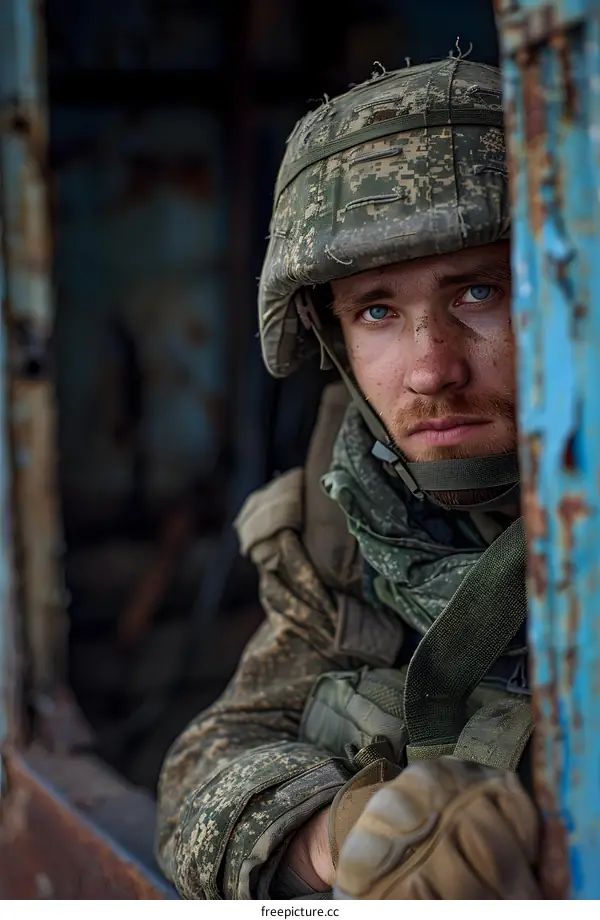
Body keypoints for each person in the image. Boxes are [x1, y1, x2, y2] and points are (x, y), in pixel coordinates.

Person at [156, 57, 541, 900]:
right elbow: (203, 764)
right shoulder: (347, 525)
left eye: (479, 292)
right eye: (378, 311)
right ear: (334, 339)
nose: (432, 369)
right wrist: (335, 842)